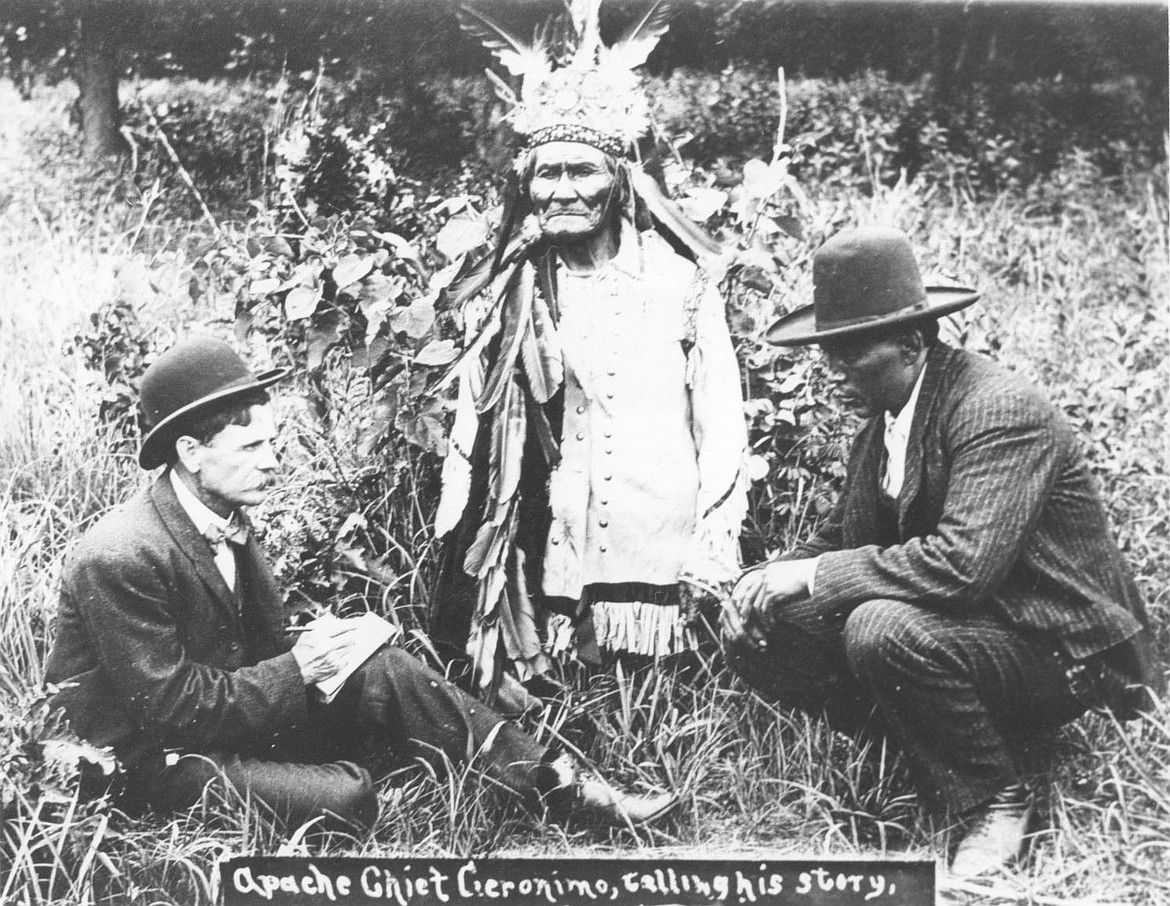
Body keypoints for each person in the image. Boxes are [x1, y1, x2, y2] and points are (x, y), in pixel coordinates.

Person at [44, 337, 678, 835]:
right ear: (190, 451)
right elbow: (171, 709)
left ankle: (558, 787)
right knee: (348, 798)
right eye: (253, 446)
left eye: (276, 442)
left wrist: (326, 650)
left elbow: (250, 649)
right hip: (148, 758)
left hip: (221, 718)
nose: (273, 459)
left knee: (389, 671)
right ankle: (366, 770)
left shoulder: (225, 513)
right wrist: (299, 670)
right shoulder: (119, 556)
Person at [720, 226, 1163, 878]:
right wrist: (759, 580)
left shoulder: (997, 409)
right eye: (827, 351)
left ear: (912, 340)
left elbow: (964, 567)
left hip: (1060, 645)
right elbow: (844, 535)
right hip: (977, 629)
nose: (833, 368)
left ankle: (996, 795)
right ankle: (931, 743)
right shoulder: (884, 421)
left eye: (850, 351)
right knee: (763, 623)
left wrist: (812, 574)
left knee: (879, 627)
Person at [431, 0, 748, 701]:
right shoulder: (506, 290)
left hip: (657, 559)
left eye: (583, 171)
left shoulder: (682, 285)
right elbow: (470, 428)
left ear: (620, 179)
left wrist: (712, 545)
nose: (565, 190)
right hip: (551, 555)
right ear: (525, 185)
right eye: (547, 174)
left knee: (664, 698)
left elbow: (722, 425)